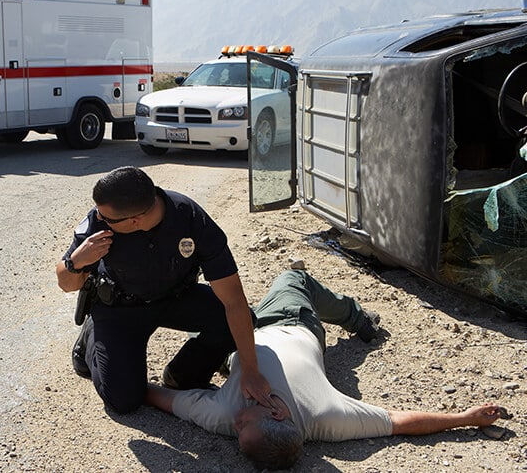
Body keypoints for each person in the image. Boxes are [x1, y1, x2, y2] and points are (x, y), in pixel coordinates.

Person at [146, 270, 503, 471]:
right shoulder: (328, 417)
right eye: (246, 424)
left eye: (237, 431)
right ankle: (359, 318)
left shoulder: (225, 416)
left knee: (202, 324)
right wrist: (464, 418)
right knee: (292, 278)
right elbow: (399, 421)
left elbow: (156, 396)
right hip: (290, 320)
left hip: (237, 341)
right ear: (278, 412)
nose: (236, 421)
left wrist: (119, 382)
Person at [56, 166, 276, 414]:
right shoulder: (99, 222)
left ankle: (182, 375)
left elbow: (233, 300)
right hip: (119, 309)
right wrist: (76, 262)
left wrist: (251, 371)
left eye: (106, 217)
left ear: (135, 220)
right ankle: (91, 337)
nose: (98, 217)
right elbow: (66, 284)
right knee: (125, 401)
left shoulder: (191, 219)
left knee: (239, 320)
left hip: (174, 298)